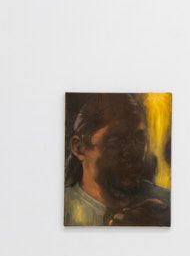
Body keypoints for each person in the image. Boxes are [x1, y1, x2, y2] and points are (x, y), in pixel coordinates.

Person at [64, 93, 171, 226]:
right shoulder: (62, 208)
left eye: (139, 139)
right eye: (115, 142)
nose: (132, 152)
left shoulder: (167, 206)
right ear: (79, 148)